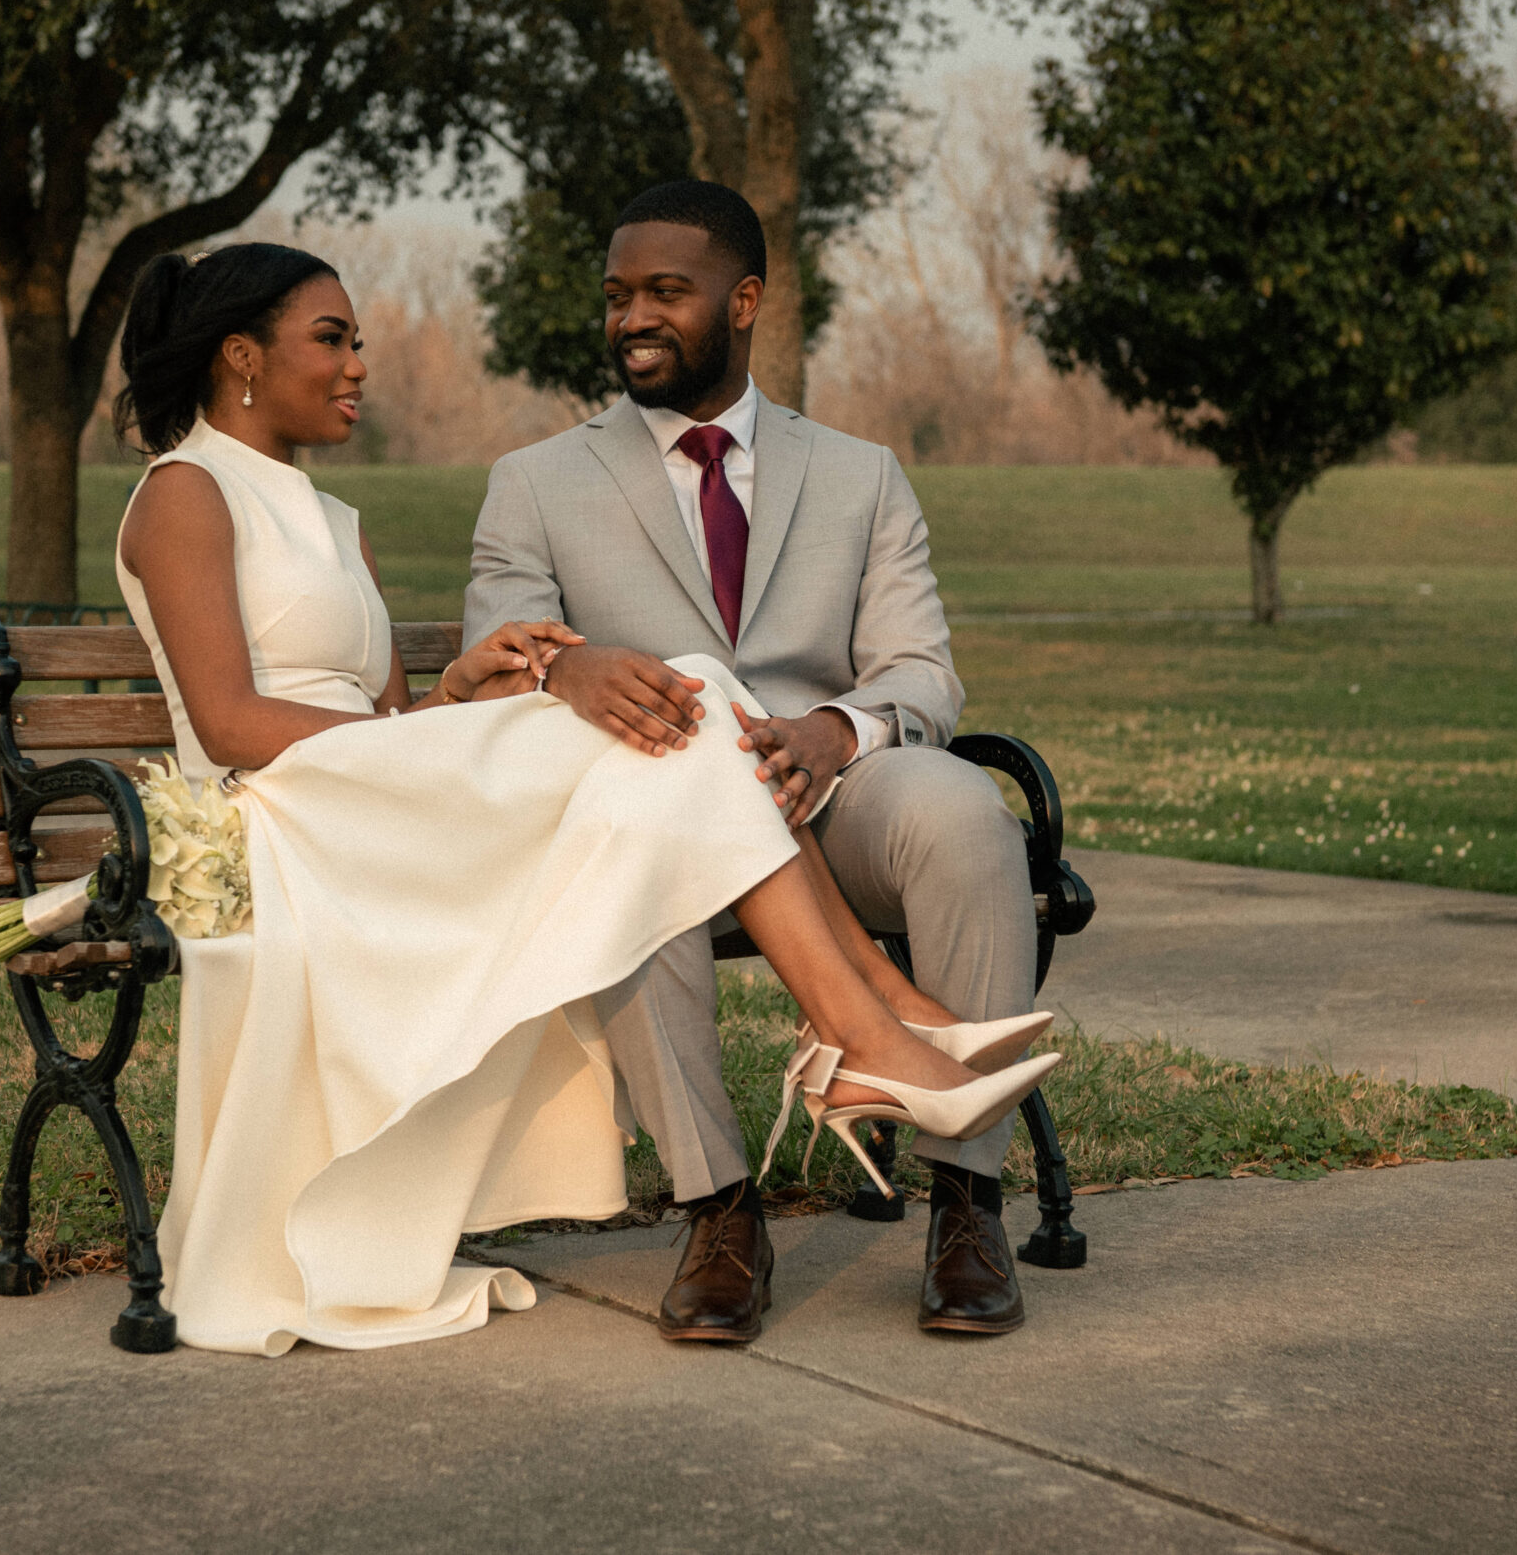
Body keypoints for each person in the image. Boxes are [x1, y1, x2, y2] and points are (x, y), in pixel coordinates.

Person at [112, 241, 1056, 1357]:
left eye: (355, 339)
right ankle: (875, 1020)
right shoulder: (187, 493)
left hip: (372, 795)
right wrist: (489, 714)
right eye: (334, 338)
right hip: (292, 815)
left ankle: (875, 1035)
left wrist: (462, 697)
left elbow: (403, 723)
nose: (359, 364)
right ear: (241, 356)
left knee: (677, 729)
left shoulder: (334, 518)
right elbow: (228, 723)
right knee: (693, 695)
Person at [467, 180, 1045, 1343]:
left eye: (664, 292)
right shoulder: (535, 480)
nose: (633, 316)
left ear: (743, 303)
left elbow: (921, 670)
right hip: (651, 804)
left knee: (965, 813)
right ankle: (719, 1209)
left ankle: (966, 1200)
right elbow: (495, 656)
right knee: (632, 872)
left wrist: (840, 728)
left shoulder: (860, 472)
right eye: (618, 294)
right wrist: (561, 669)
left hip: (827, 798)